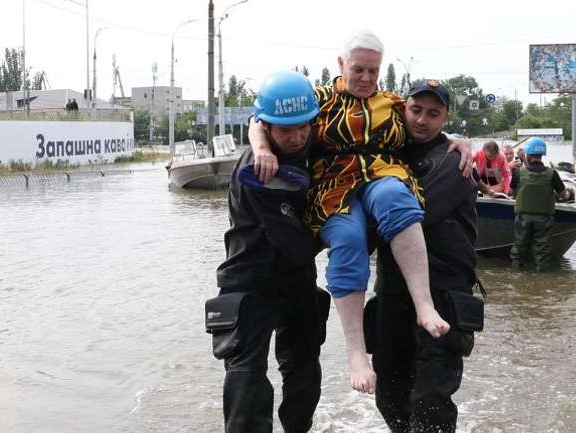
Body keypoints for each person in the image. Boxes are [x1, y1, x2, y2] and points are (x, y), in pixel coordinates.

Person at [248, 31, 471, 394]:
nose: (366, 78)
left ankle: (424, 305)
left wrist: (460, 142)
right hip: (333, 186)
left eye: (373, 70)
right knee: (348, 237)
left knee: (397, 200)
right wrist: (261, 149)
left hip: (383, 174)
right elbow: (260, 119)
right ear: (341, 64)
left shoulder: (393, 103)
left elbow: (427, 128)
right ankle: (355, 352)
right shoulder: (318, 99)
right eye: (358, 69)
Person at [206, 71, 330, 433]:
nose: (297, 137)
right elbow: (297, 246)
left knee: (305, 375)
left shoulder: (313, 146)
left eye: (303, 127)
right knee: (246, 383)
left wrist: (455, 142)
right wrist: (338, 231)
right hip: (249, 281)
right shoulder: (256, 171)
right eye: (285, 130)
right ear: (268, 126)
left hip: (297, 281)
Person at [369, 79, 484, 433]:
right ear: (403, 109)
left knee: (431, 399)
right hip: (393, 292)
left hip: (443, 294)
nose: (422, 120)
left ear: (445, 117)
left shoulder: (454, 162)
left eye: (433, 114)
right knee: (389, 392)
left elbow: (404, 217)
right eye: (416, 110)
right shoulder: (387, 154)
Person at [509, 137, 571, 272]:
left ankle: (516, 275)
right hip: (544, 219)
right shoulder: (552, 173)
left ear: (527, 154)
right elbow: (563, 195)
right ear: (542, 154)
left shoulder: (518, 172)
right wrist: (568, 195)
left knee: (519, 247)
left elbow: (512, 193)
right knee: (542, 250)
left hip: (523, 218)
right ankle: (542, 277)